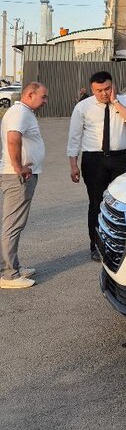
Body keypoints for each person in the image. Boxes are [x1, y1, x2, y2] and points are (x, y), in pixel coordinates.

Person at [67, 71, 126, 261]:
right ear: (92, 89)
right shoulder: (83, 107)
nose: (104, 93)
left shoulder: (123, 101)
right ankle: (96, 246)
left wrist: (116, 102)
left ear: (113, 86)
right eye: (99, 90)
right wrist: (73, 164)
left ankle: (120, 245)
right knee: (96, 203)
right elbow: (74, 137)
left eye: (107, 88)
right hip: (94, 161)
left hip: (119, 160)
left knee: (122, 204)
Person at [0, 82, 48, 289]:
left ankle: (10, 267)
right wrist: (19, 167)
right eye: (43, 97)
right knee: (12, 225)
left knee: (10, 225)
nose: (45, 101)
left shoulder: (22, 111)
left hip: (16, 175)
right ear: (30, 94)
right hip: (17, 178)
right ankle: (9, 275)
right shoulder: (19, 112)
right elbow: (13, 138)